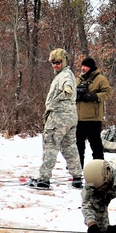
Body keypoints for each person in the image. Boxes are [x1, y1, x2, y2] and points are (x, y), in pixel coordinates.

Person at [28, 48, 83, 189]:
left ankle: (44, 179)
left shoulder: (64, 76)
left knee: (50, 146)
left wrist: (60, 97)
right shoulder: (66, 74)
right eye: (53, 63)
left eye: (58, 62)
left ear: (64, 61)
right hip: (70, 117)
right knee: (70, 147)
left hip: (58, 117)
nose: (55, 65)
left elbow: (68, 88)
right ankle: (77, 177)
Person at [75, 56, 114, 168]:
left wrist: (93, 97)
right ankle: (78, 168)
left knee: (95, 145)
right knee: (78, 145)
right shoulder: (78, 79)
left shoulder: (100, 79)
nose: (83, 68)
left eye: (86, 66)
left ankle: (99, 168)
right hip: (79, 118)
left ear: (91, 67)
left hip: (93, 119)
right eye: (82, 66)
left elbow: (108, 93)